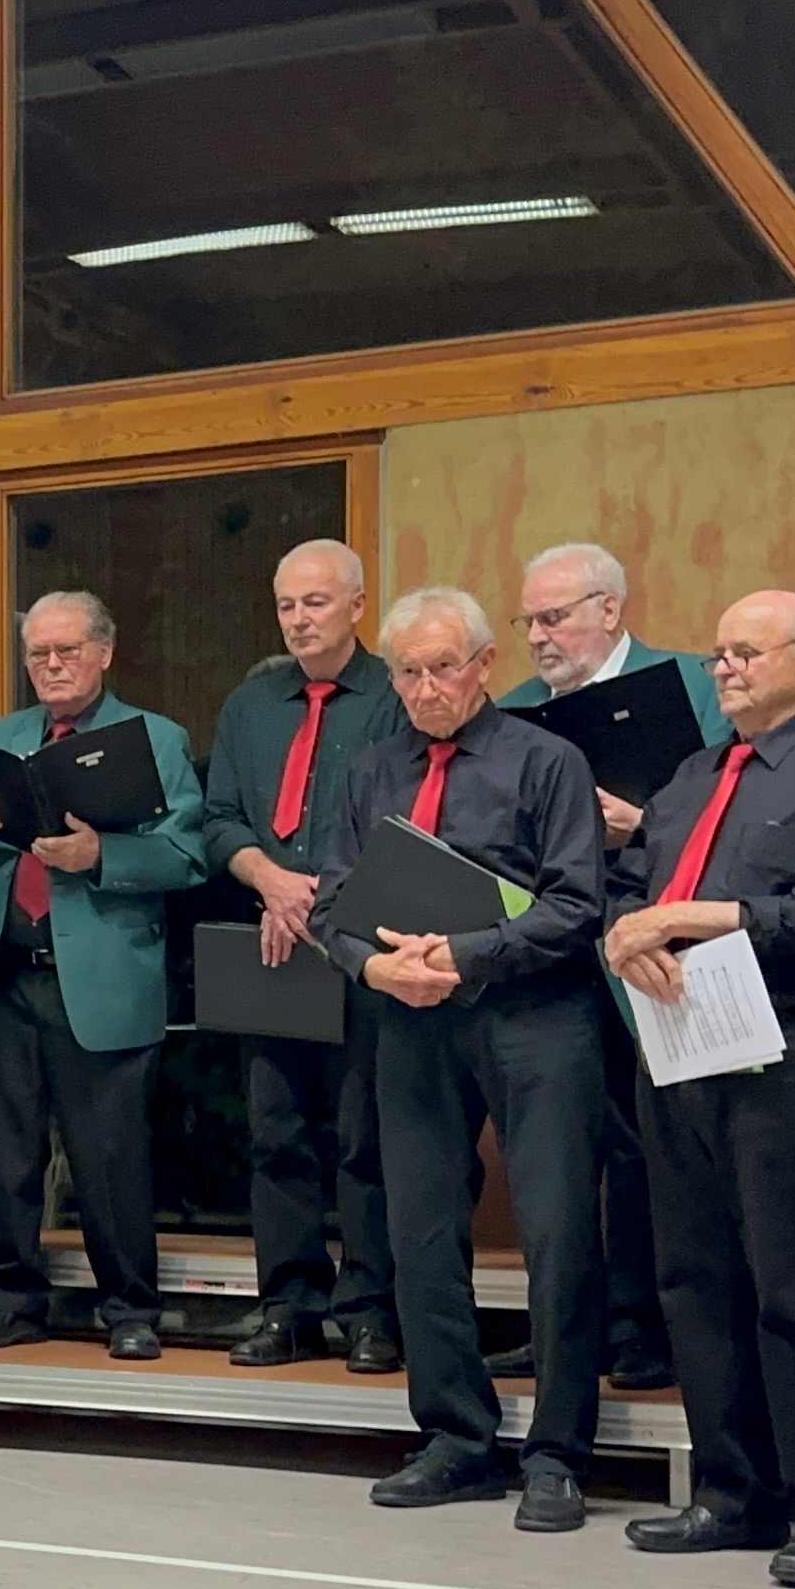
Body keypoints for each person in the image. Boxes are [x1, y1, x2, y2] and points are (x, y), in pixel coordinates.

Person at [605, 593, 795, 1588]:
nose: (721, 668)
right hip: (681, 1042)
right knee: (693, 1278)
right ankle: (731, 1491)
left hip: (791, 1049)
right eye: (717, 653)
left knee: (790, 1288)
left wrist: (693, 915)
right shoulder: (692, 777)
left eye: (743, 652)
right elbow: (630, 892)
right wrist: (626, 937)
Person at [312, 586, 609, 1534]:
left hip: (534, 1014)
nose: (426, 688)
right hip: (410, 1016)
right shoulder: (370, 769)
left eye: (444, 668)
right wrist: (374, 967)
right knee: (421, 1228)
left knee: (557, 1230)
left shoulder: (547, 760)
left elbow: (577, 905)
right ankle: (455, 1437)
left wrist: (465, 953)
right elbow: (330, 904)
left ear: (485, 664)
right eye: (407, 672)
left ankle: (559, 1453)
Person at [0, 591, 204, 1364]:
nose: (51, 666)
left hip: (100, 976)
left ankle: (130, 1309)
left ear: (105, 653)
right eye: (38, 654)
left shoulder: (155, 738)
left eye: (67, 651)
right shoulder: (3, 736)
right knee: (7, 1157)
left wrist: (102, 857)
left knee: (109, 1157)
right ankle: (11, 1302)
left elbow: (189, 856)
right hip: (7, 971)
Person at [493, 542, 727, 1394]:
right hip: (550, 953)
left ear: (610, 610)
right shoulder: (515, 711)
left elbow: (731, 807)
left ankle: (648, 1328)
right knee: (558, 1151)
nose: (538, 637)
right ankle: (566, 1333)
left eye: (554, 618)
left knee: (649, 1148)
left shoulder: (692, 684)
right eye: (528, 621)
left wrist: (646, 822)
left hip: (659, 947)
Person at [195, 541, 405, 1372]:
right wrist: (270, 880)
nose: (298, 619)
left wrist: (323, 897)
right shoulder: (252, 705)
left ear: (357, 604)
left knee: (366, 1138)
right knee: (276, 1134)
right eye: (286, 605)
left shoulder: (395, 696)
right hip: (275, 944)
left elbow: (407, 821)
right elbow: (218, 819)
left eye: (315, 603)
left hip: (366, 948)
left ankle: (370, 1310)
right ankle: (288, 1305)